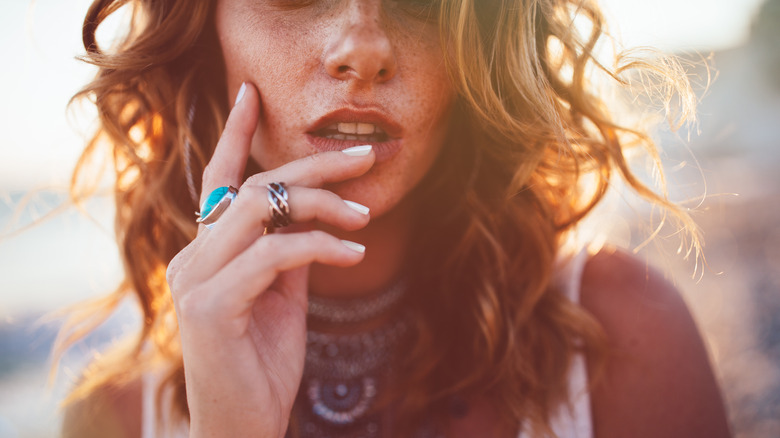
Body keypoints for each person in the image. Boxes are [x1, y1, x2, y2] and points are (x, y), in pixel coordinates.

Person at [59, 0, 731, 437]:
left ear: (482, 55)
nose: (363, 46)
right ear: (205, 32)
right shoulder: (111, 418)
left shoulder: (623, 341)